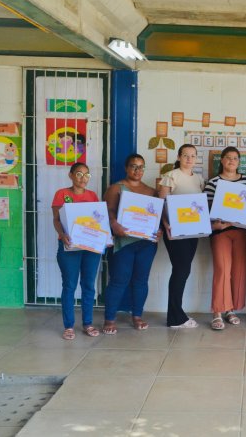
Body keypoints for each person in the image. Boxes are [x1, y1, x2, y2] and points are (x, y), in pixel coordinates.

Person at [103, 154, 162, 335]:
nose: (138, 170)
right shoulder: (116, 188)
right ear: (126, 168)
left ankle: (137, 316)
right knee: (119, 280)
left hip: (146, 243)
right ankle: (109, 319)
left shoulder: (151, 191)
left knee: (141, 280)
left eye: (141, 167)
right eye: (134, 166)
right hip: (124, 242)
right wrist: (114, 225)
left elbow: (157, 217)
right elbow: (108, 212)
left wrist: (159, 230)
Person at [204, 147, 246, 330]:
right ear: (222, 160)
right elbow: (205, 208)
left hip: (241, 232)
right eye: (228, 157)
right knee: (222, 270)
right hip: (220, 232)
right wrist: (217, 223)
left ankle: (230, 310)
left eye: (235, 158)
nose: (232, 161)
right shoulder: (213, 182)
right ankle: (217, 312)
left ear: (239, 162)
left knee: (239, 271)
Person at [51, 162, 102, 340]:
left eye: (87, 174)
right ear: (71, 175)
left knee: (88, 285)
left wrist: (104, 237)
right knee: (69, 285)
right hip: (70, 246)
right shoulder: (61, 194)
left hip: (90, 247)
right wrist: (62, 234)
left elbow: (98, 221)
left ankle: (88, 323)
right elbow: (56, 219)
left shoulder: (93, 195)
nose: (83, 178)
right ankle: (69, 326)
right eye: (79, 174)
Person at [158, 144, 204, 329]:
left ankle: (175, 314)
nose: (189, 159)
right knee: (181, 270)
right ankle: (175, 318)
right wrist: (166, 224)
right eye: (185, 155)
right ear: (178, 157)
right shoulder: (171, 176)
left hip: (193, 231)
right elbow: (160, 203)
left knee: (183, 270)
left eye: (193, 156)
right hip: (174, 231)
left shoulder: (199, 179)